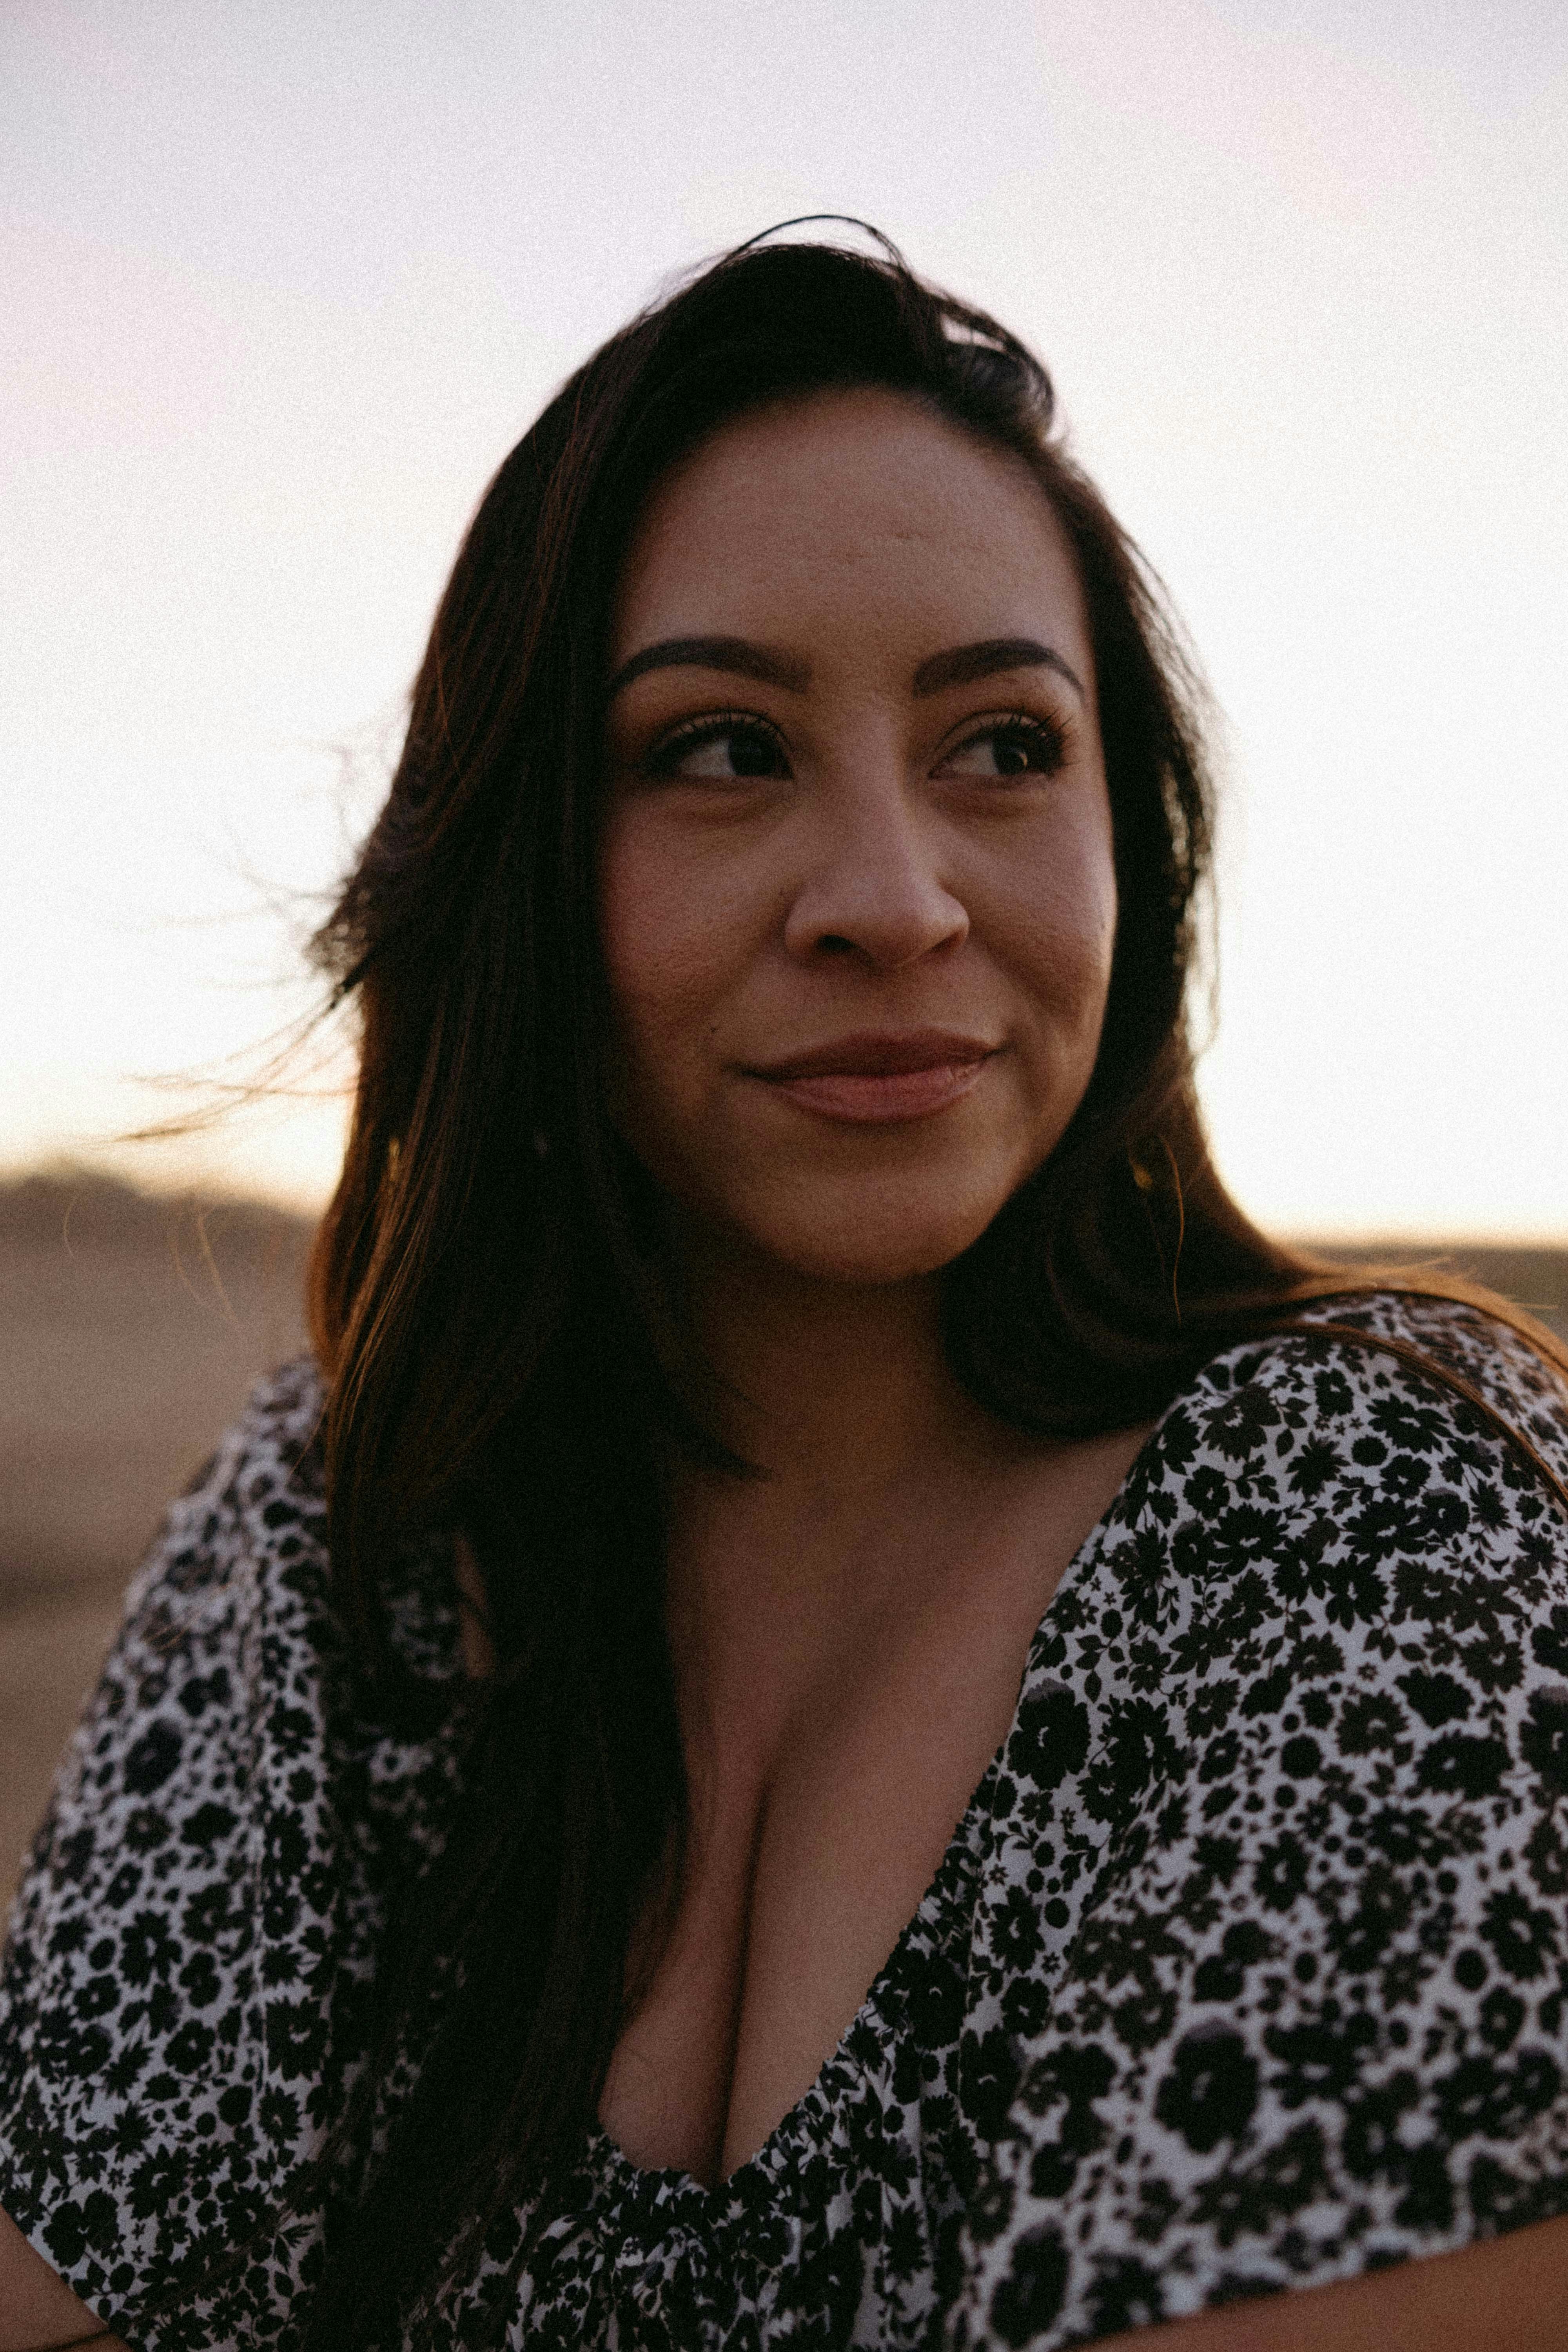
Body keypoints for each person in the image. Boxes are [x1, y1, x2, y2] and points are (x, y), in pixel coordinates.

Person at [3, 228, 1567, 2352]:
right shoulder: (345, 1541)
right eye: (724, 751)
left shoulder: (1360, 1515)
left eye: (1004, 745)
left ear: (1142, 848)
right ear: (528, 870)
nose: (892, 901)